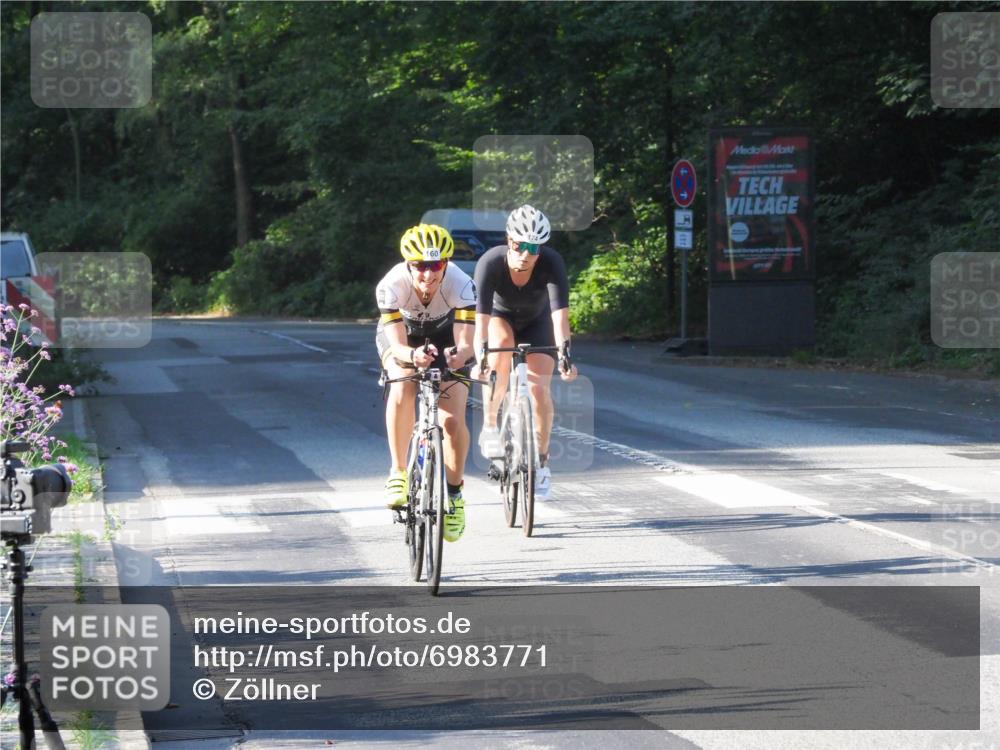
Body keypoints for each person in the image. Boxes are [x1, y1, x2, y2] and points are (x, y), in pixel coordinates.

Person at [376, 223, 477, 542]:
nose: (428, 275)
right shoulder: (391, 286)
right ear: (408, 264)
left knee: (451, 421)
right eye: (419, 266)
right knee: (402, 381)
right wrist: (413, 355)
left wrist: (457, 356)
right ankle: (398, 471)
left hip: (447, 336)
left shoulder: (462, 285)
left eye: (435, 266)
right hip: (404, 338)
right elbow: (397, 345)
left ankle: (455, 496)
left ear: (445, 263)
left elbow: (465, 344)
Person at [473, 205, 578, 499]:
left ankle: (541, 462)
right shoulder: (490, 263)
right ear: (509, 240)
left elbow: (560, 317)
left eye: (534, 248)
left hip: (537, 322)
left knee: (539, 389)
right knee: (500, 355)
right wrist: (480, 356)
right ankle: (491, 425)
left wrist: (566, 356)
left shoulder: (552, 263)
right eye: (520, 246)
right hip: (499, 317)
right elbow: (479, 319)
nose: (526, 255)